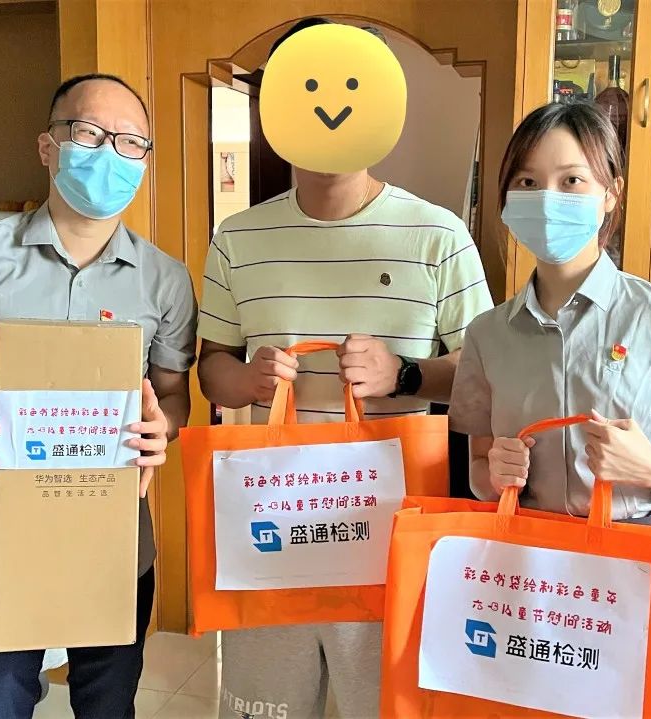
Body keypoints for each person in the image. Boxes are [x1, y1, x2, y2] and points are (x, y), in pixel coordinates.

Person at [196, 19, 493, 719]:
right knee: (263, 709)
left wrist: (404, 374)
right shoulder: (237, 237)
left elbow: (483, 374)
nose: (327, 108)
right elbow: (211, 368)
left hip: (389, 524)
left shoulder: (438, 234)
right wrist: (246, 381)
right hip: (272, 517)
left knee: (386, 705)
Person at [0, 73, 197, 718]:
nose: (110, 153)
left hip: (112, 543)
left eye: (131, 142)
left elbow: (173, 397)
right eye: (89, 133)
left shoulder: (165, 280)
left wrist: (161, 429)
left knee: (108, 705)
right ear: (48, 146)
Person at [449, 101, 651, 525]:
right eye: (528, 181)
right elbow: (478, 469)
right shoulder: (485, 334)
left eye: (572, 180)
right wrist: (493, 475)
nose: (547, 199)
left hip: (634, 549)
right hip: (530, 552)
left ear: (610, 193)